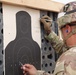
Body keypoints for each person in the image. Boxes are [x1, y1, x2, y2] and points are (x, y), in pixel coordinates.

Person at [21, 1, 76, 75]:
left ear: (67, 29)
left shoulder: (68, 60)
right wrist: (49, 32)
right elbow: (64, 49)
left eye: (61, 30)